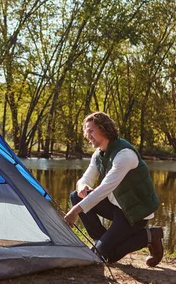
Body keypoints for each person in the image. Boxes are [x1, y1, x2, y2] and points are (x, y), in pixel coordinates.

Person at [64, 112, 164, 267]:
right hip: (116, 206)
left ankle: (150, 235)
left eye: (90, 131)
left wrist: (75, 211)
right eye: (86, 131)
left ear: (104, 129)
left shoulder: (125, 155)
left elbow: (105, 188)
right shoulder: (99, 154)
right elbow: (85, 179)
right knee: (76, 196)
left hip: (134, 212)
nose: (87, 135)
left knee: (107, 257)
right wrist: (82, 186)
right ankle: (101, 242)